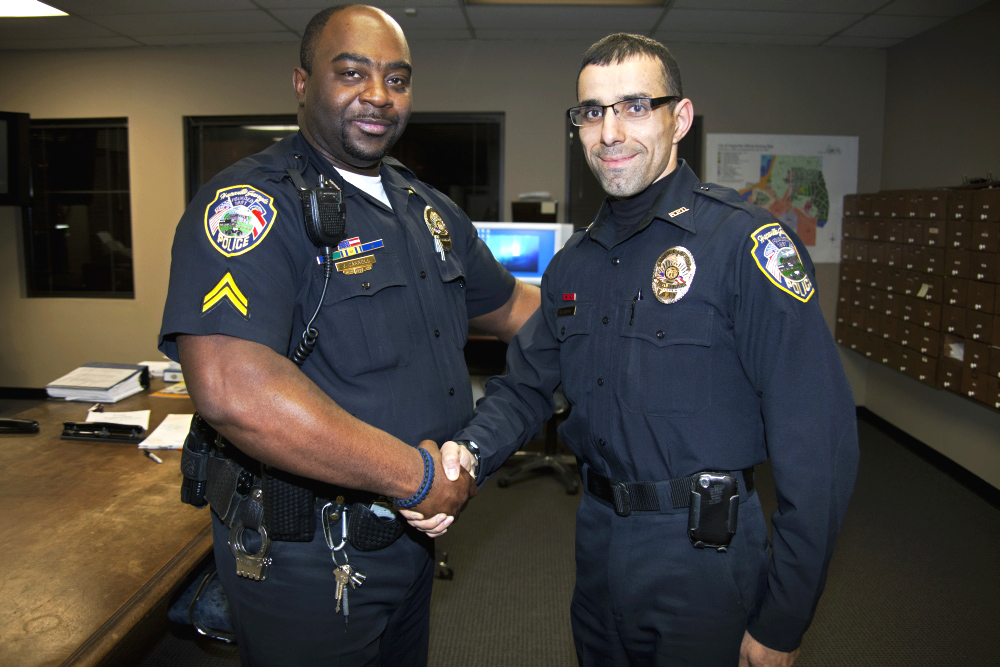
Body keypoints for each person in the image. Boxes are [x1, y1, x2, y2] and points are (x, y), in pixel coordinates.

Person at [407, 33, 859, 667]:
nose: (610, 131)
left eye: (634, 106)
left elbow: (820, 446)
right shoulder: (573, 266)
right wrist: (466, 457)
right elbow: (524, 386)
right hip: (599, 540)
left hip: (707, 554)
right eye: (591, 112)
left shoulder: (745, 246)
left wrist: (784, 618)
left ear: (680, 118)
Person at [157, 5, 539, 666]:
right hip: (307, 560)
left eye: (397, 78)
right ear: (303, 82)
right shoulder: (252, 204)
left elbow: (512, 307)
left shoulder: (425, 209)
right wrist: (416, 476)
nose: (378, 95)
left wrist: (612, 310)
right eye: (352, 72)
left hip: (412, 539)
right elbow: (231, 386)